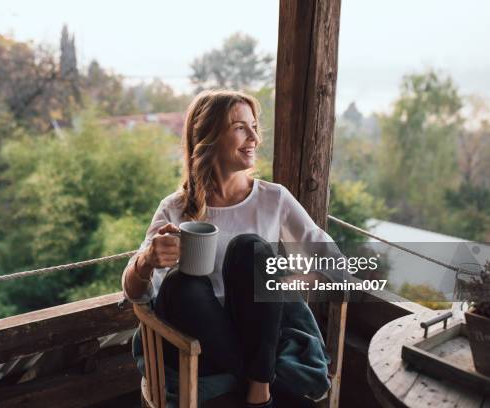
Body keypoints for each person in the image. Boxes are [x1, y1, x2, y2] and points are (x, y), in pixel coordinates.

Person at [122, 89, 336, 407]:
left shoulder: (273, 199)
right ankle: (264, 385)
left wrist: (278, 285)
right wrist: (146, 261)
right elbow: (135, 293)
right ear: (207, 137)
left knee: (251, 249)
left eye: (254, 127)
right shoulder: (175, 208)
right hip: (194, 344)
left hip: (258, 332)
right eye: (239, 127)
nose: (254, 138)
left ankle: (258, 385)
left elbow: (333, 263)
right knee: (182, 283)